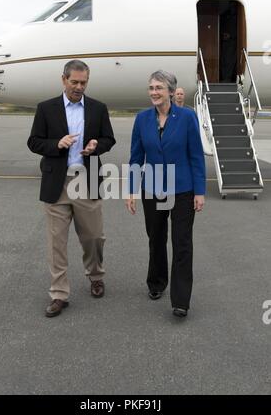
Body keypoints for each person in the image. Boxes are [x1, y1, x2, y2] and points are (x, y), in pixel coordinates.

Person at [27, 60, 116, 317]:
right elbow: (34, 142)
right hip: (58, 183)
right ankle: (59, 293)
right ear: (63, 79)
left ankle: (96, 276)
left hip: (86, 182)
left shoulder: (98, 108)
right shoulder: (46, 108)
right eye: (74, 82)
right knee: (57, 243)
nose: (79, 87)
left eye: (83, 82)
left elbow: (109, 139)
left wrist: (95, 146)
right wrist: (57, 144)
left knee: (94, 238)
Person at [126, 70, 205, 318]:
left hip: (182, 188)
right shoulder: (142, 119)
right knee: (156, 238)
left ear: (171, 91)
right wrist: (132, 189)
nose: (154, 92)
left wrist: (200, 191)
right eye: (151, 88)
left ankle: (181, 300)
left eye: (159, 88)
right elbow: (136, 157)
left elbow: (196, 155)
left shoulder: (187, 117)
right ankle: (156, 282)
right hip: (153, 188)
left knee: (182, 243)